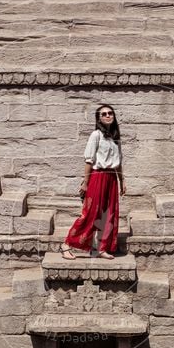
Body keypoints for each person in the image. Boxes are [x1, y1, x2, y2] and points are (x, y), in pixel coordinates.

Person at [60, 104, 126, 260]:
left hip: (111, 179)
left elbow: (119, 162)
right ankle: (67, 244)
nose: (108, 116)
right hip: (97, 177)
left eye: (110, 113)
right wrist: (85, 182)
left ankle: (102, 248)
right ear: (99, 118)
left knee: (109, 214)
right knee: (90, 213)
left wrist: (122, 180)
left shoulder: (116, 138)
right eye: (104, 114)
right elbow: (89, 160)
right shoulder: (96, 135)